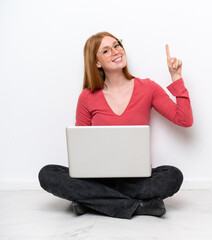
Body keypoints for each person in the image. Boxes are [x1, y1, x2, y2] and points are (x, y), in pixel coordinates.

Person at [38, 32, 193, 219]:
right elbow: (81, 148)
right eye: (106, 50)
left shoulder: (148, 88)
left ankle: (91, 201)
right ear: (96, 63)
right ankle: (139, 206)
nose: (115, 51)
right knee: (47, 174)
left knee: (173, 175)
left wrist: (176, 77)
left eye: (117, 45)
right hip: (98, 177)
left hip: (136, 178)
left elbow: (184, 120)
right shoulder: (87, 97)